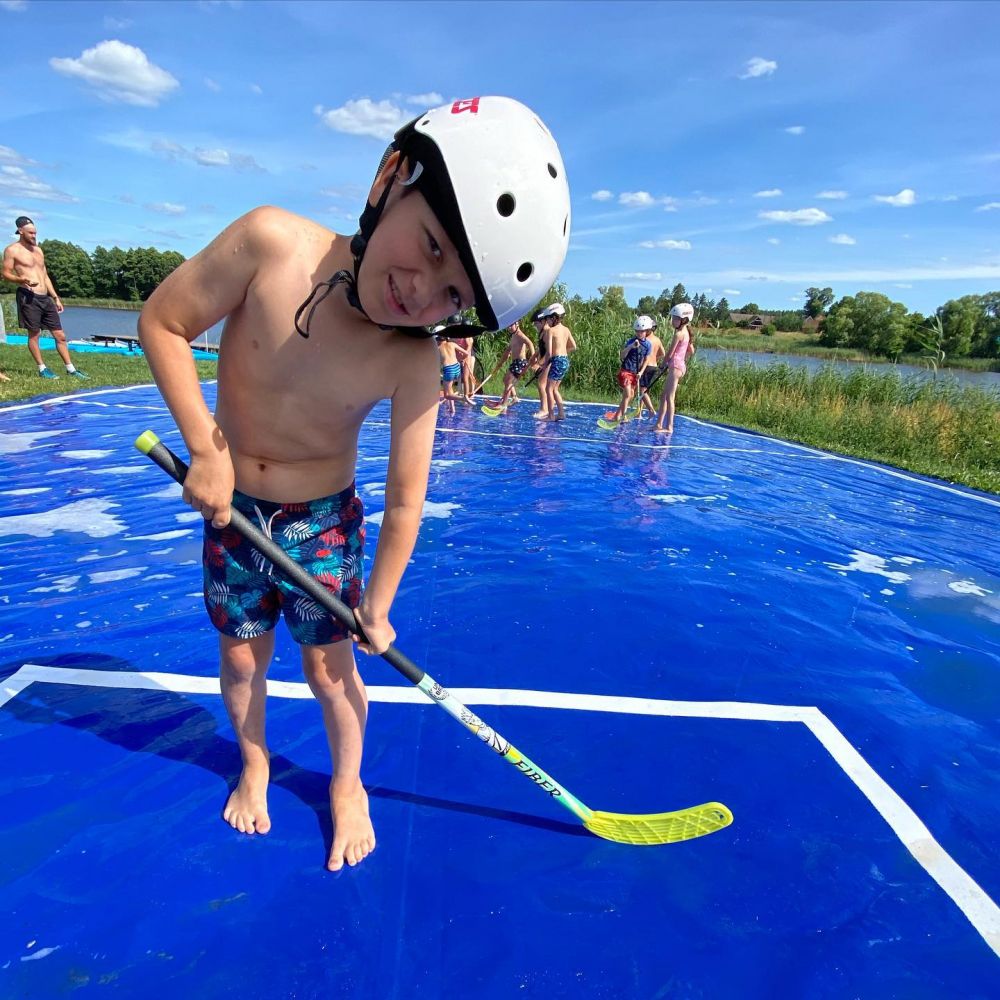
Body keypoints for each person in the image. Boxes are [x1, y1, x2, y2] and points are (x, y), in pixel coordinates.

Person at [137, 96, 570, 871]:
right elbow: (164, 323)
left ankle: (347, 785)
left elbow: (406, 500)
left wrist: (380, 605)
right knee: (240, 660)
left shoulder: (412, 360)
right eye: (433, 246)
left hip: (323, 527)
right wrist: (206, 447)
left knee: (329, 670)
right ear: (390, 178)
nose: (423, 292)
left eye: (454, 298)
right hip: (231, 511)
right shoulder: (269, 243)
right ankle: (257, 760)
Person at [2, 216, 88, 380]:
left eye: (35, 233)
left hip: (45, 297)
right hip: (28, 296)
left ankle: (71, 369)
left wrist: (55, 297)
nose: (34, 236)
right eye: (30, 233)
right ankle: (42, 369)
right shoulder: (12, 250)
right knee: (34, 334)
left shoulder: (38, 250)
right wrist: (21, 280)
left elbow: (45, 275)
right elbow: (5, 273)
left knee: (60, 335)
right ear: (20, 231)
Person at [655, 302, 696, 434]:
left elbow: (670, 353)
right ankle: (659, 424)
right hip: (677, 366)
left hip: (676, 367)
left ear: (684, 320)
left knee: (669, 397)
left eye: (675, 318)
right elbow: (691, 350)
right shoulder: (686, 332)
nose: (673, 321)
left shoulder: (679, 334)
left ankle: (669, 427)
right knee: (664, 396)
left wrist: (662, 364)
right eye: (673, 318)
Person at [610, 315, 653, 423]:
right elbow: (622, 355)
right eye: (637, 331)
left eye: (642, 331)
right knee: (628, 394)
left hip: (635, 373)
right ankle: (622, 417)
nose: (639, 333)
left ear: (647, 331)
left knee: (630, 396)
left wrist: (641, 372)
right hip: (625, 371)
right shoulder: (631, 341)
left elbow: (646, 360)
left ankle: (617, 416)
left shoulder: (648, 345)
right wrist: (631, 347)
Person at [485, 320, 535, 411]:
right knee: (505, 380)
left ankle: (504, 404)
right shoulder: (513, 336)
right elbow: (507, 351)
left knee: (508, 382)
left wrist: (533, 357)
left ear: (517, 324)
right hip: (515, 362)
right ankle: (514, 397)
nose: (508, 328)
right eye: (508, 326)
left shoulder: (520, 335)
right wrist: (500, 363)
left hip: (520, 362)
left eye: (510, 325)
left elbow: (530, 343)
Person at [540, 302, 576, 421]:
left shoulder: (550, 331)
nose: (547, 322)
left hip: (557, 360)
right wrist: (561, 351)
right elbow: (573, 346)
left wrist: (544, 365)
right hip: (565, 360)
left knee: (548, 389)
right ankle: (561, 413)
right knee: (555, 389)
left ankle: (551, 415)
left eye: (548, 319)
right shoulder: (566, 329)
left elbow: (549, 353)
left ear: (554, 318)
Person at [636, 317, 666, 418]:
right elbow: (663, 353)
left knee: (642, 390)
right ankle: (639, 412)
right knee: (644, 390)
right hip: (654, 367)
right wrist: (655, 358)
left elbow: (642, 356)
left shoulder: (645, 340)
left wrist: (640, 366)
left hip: (646, 366)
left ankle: (651, 410)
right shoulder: (657, 340)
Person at [437, 330, 468, 414]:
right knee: (450, 390)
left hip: (449, 369)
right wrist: (460, 360)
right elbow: (466, 353)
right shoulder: (452, 344)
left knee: (447, 395)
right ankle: (452, 408)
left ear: (438, 340)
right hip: (457, 368)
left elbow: (438, 364)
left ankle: (463, 398)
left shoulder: (438, 349)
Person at [527, 307, 551, 418]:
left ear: (543, 321)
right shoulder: (542, 332)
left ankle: (544, 410)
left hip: (547, 362)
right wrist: (534, 356)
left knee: (542, 385)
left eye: (536, 323)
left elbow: (548, 351)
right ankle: (547, 407)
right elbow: (541, 348)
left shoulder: (547, 332)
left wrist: (540, 363)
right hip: (544, 362)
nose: (535, 326)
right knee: (543, 386)